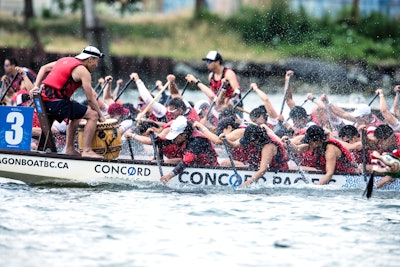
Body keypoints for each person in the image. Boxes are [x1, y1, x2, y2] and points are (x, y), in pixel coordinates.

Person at [30, 45, 106, 158]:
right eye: (96, 61)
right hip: (57, 104)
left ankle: (69, 149)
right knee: (93, 115)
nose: (96, 65)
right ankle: (87, 150)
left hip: (45, 103)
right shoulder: (84, 71)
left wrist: (36, 86)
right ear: (90, 59)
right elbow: (90, 99)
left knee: (76, 115)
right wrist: (100, 115)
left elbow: (43, 68)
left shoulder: (63, 60)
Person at [222, 124, 289, 186]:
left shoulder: (269, 146)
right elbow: (234, 145)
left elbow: (263, 170)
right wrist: (226, 140)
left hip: (278, 172)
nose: (248, 145)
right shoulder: (251, 136)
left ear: (256, 141)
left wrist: (244, 185)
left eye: (249, 143)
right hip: (261, 171)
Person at [160, 116, 219, 183]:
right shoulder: (183, 137)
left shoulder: (197, 140)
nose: (174, 140)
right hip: (195, 165)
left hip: (208, 168)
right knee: (168, 161)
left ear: (184, 135)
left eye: (175, 137)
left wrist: (169, 176)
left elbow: (188, 160)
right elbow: (163, 142)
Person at [293, 125, 357, 185]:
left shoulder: (330, 150)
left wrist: (316, 187)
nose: (308, 144)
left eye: (309, 141)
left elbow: (329, 174)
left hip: (348, 176)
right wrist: (288, 142)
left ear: (317, 140)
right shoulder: (315, 144)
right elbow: (297, 149)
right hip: (336, 175)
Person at [185, 50, 241, 115]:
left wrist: (229, 102)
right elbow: (211, 95)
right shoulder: (211, 76)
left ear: (217, 62)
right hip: (219, 105)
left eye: (209, 61)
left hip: (233, 105)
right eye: (207, 61)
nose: (207, 64)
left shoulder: (228, 73)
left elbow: (237, 91)